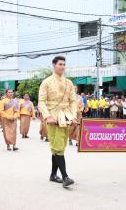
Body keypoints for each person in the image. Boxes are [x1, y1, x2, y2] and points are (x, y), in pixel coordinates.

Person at [38, 56, 77, 188]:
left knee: (60, 145)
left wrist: (73, 116)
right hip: (53, 117)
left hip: (66, 116)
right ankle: (65, 177)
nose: (63, 66)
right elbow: (41, 101)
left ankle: (53, 175)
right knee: (58, 146)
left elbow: (73, 101)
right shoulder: (46, 82)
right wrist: (47, 116)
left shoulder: (69, 83)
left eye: (64, 64)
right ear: (54, 65)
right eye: (60, 64)